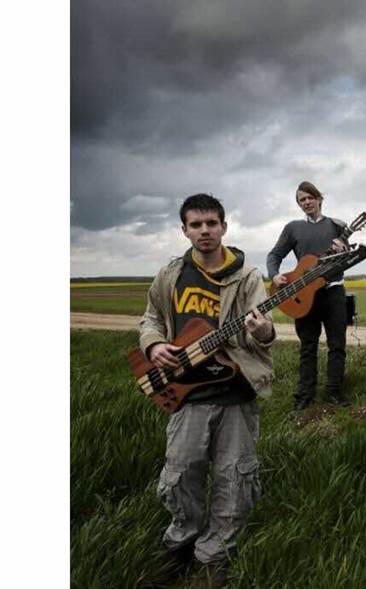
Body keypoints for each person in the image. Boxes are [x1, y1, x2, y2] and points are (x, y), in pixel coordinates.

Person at [139, 193, 274, 586]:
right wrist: (154, 345)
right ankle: (181, 544)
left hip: (235, 393)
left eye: (211, 223)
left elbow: (262, 336)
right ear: (185, 230)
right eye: (195, 225)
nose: (204, 231)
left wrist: (263, 331)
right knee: (181, 475)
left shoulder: (247, 276)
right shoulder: (171, 274)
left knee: (235, 479)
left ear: (224, 227)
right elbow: (150, 319)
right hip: (186, 394)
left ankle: (214, 557)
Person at [267, 180, 352, 410]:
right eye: (301, 200)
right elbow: (274, 255)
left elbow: (346, 260)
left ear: (319, 199)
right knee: (307, 347)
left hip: (333, 292)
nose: (306, 202)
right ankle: (305, 396)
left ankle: (334, 392)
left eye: (309, 198)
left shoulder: (337, 226)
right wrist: (274, 275)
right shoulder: (293, 228)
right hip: (304, 295)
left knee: (337, 345)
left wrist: (345, 251)